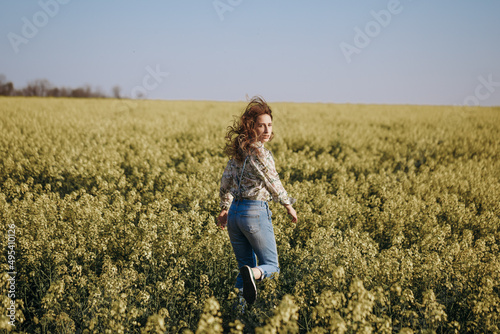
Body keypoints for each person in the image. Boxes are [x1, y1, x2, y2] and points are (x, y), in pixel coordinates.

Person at [217, 96, 298, 305]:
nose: (267, 130)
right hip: (254, 213)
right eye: (261, 125)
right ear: (251, 127)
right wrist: (288, 205)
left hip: (235, 215)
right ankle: (254, 275)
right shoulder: (260, 152)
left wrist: (225, 209)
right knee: (271, 266)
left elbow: (226, 181)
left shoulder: (239, 151)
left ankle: (238, 314)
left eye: (269, 125)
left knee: (244, 267)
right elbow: (272, 180)